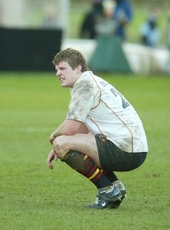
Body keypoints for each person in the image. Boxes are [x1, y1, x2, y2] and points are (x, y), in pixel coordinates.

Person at [46, 48, 148, 209]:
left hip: (126, 149)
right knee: (64, 143)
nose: (58, 73)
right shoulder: (90, 81)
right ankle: (115, 186)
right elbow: (80, 129)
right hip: (133, 147)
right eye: (57, 69)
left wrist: (54, 138)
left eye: (62, 68)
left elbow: (70, 129)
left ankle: (107, 191)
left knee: (61, 143)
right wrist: (63, 142)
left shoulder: (84, 85)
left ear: (78, 68)